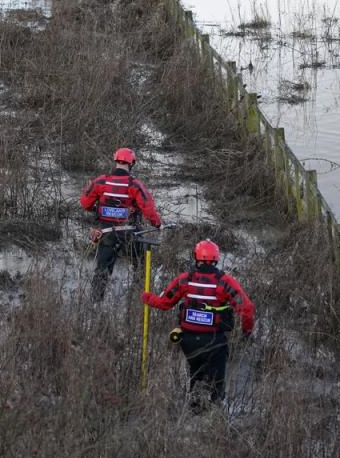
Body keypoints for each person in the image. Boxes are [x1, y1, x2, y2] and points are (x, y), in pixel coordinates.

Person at [141, 239, 255, 412]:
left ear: (196, 257)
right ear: (216, 259)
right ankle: (213, 419)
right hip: (216, 341)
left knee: (196, 375)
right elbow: (246, 308)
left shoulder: (184, 280)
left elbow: (164, 303)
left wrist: (147, 297)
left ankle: (194, 409)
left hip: (188, 340)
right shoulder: (224, 282)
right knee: (216, 386)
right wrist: (247, 331)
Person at [79, 147, 162, 301]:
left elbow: (84, 202)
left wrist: (96, 208)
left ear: (116, 161)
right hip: (130, 233)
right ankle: (136, 301)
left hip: (106, 233)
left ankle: (95, 303)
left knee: (101, 270)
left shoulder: (100, 181)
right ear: (132, 164)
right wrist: (157, 224)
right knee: (140, 266)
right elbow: (148, 208)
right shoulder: (135, 185)